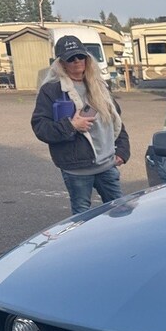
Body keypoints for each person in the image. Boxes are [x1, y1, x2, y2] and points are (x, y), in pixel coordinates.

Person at [31, 35, 130, 214]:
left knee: (120, 211)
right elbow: (40, 128)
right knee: (82, 217)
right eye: (70, 58)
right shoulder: (51, 90)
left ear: (87, 58)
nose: (77, 61)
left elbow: (117, 120)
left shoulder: (99, 85)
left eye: (80, 56)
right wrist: (71, 126)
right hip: (77, 169)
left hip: (107, 165)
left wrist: (123, 151)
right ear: (61, 63)